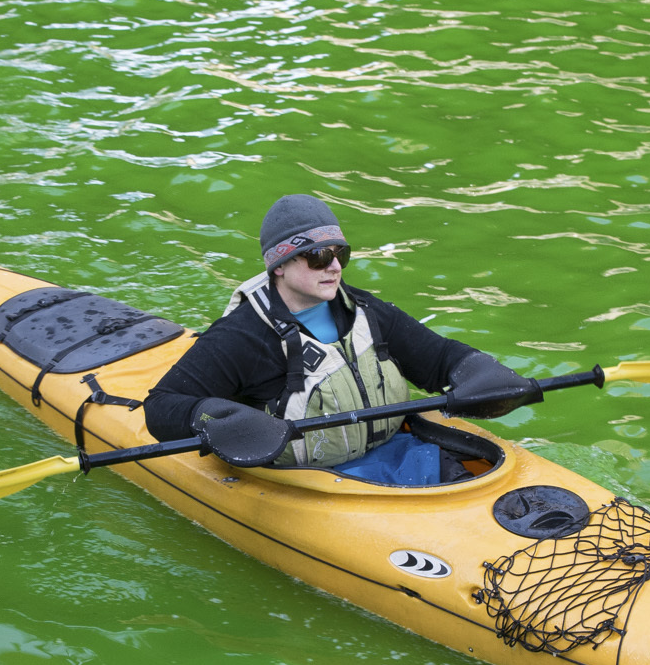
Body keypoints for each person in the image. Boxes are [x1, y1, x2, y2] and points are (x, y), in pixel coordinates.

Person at [143, 195, 538, 484]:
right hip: (307, 481)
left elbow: (439, 358)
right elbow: (161, 407)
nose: (334, 267)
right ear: (279, 265)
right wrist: (214, 418)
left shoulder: (367, 312)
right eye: (318, 257)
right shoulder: (242, 336)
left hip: (397, 454)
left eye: (340, 254)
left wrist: (478, 371)